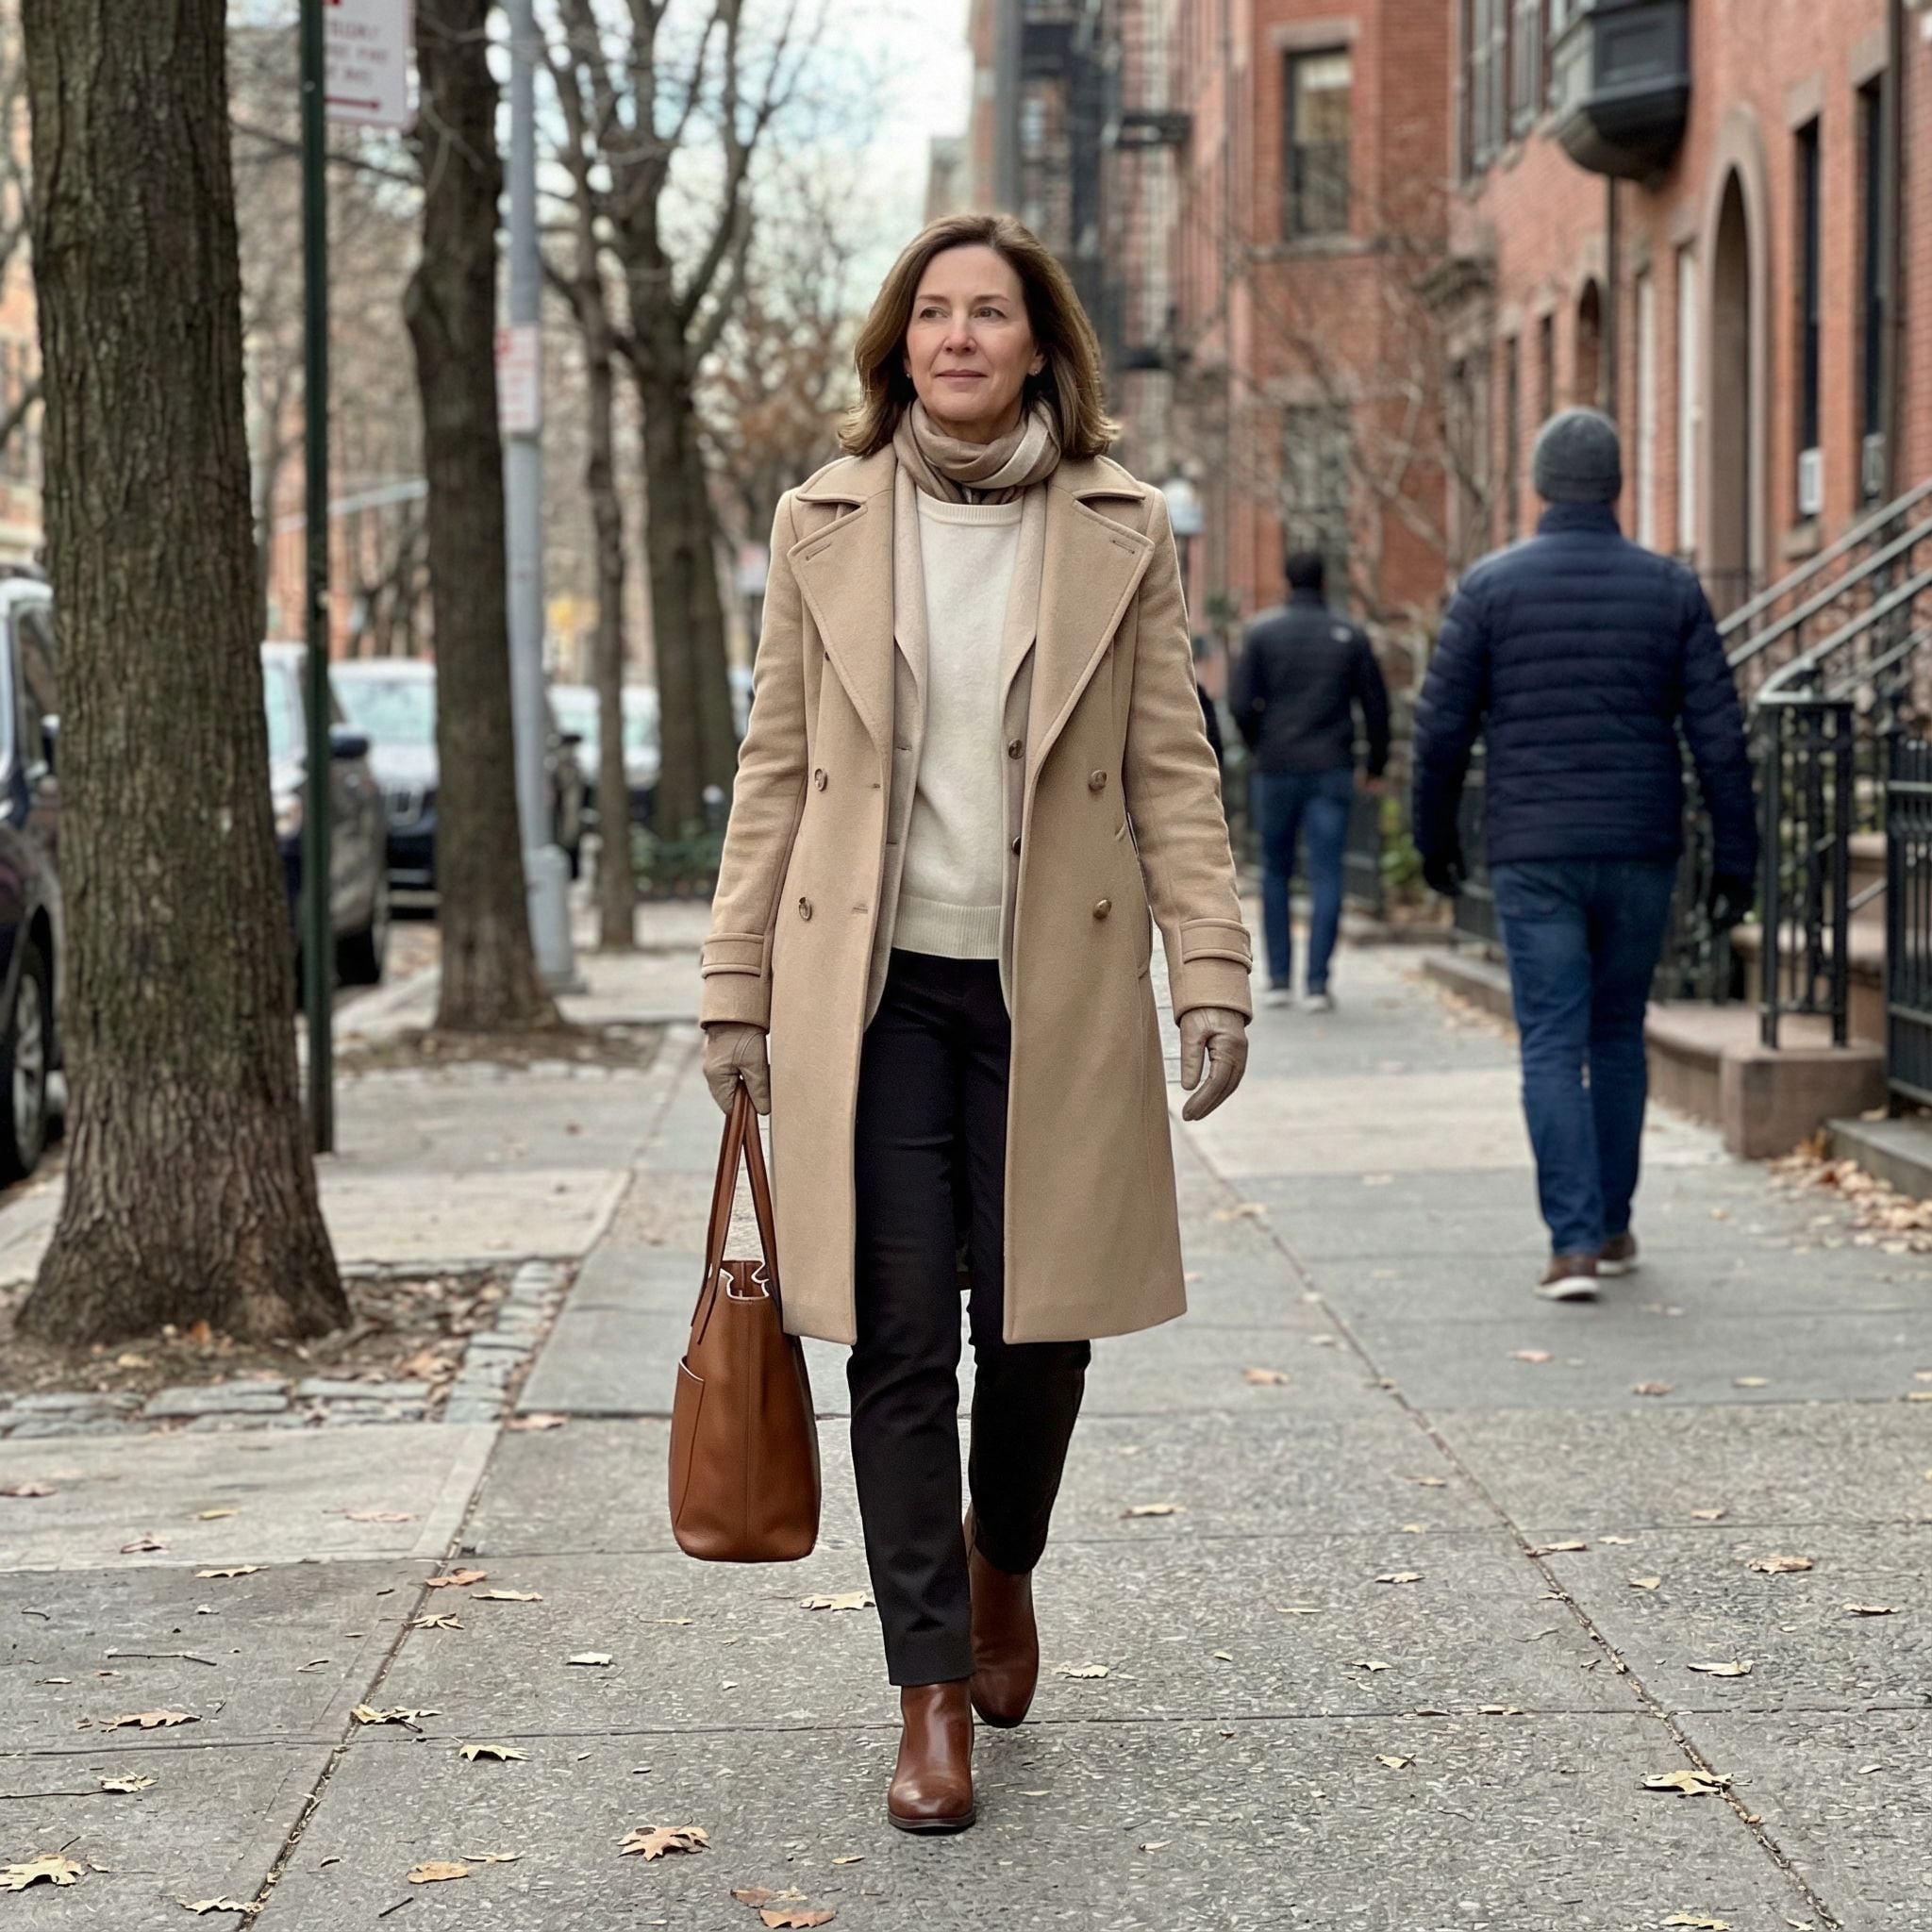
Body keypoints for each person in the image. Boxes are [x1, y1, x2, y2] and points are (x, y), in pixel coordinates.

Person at [698, 212, 1252, 1834]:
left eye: (987, 313)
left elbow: (1168, 766)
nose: (956, 336)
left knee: (1036, 1327)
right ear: (900, 345)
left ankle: (1003, 1558)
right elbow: (776, 772)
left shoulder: (1116, 525)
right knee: (891, 1341)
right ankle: (926, 1685)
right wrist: (734, 980)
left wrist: (1206, 966)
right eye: (931, 312)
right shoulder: (823, 522)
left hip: (1051, 987)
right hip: (869, 997)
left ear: (1035, 344)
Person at [1411, 408, 1756, 1302]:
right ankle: (1610, 1225)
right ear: (1615, 486)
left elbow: (1441, 731)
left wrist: (1434, 839)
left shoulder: (1490, 589)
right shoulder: (1672, 590)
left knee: (1553, 1041)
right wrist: (1737, 859)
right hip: (1640, 843)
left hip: (1534, 848)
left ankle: (1571, 1246)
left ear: (1538, 485)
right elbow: (1721, 738)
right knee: (1617, 1033)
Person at [1230, 551, 1391, 1012]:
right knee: (1327, 873)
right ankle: (1318, 982)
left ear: (1286, 580)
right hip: (1331, 767)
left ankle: (1280, 979)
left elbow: (1241, 703)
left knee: (1275, 872)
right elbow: (1376, 707)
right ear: (1325, 581)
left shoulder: (1262, 633)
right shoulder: (1349, 635)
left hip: (1276, 767)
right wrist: (1375, 765)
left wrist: (1259, 743)